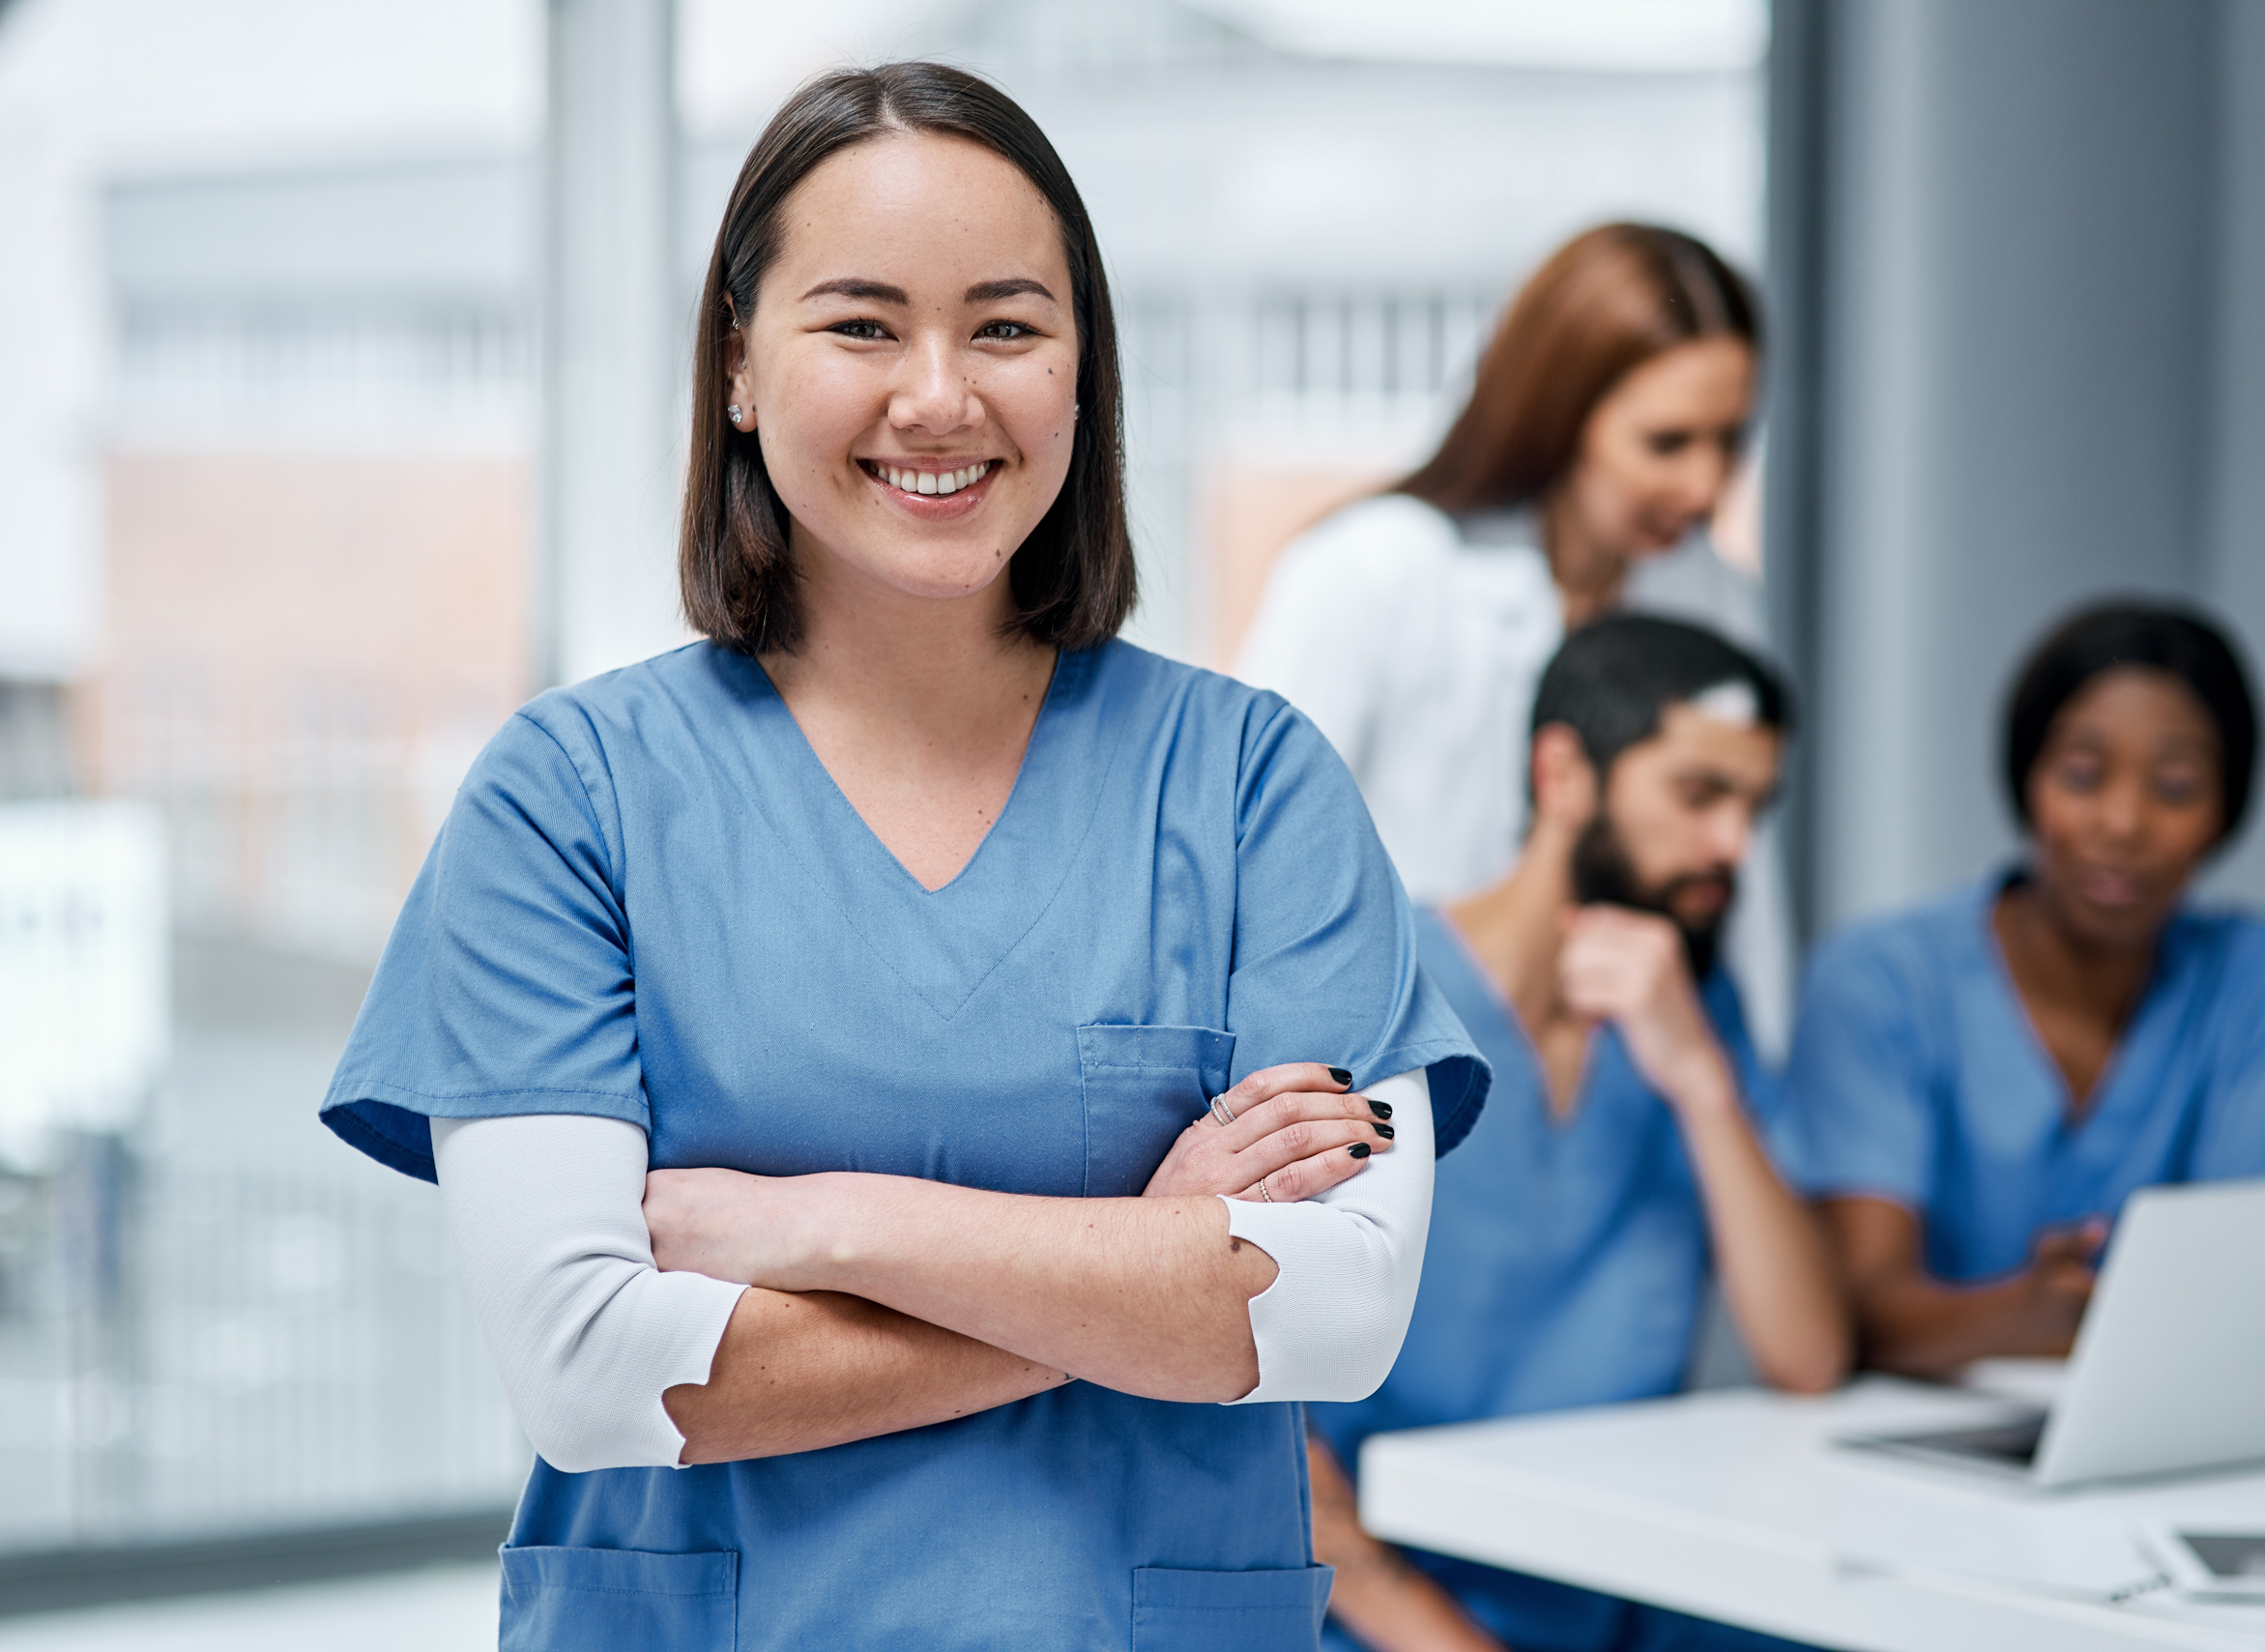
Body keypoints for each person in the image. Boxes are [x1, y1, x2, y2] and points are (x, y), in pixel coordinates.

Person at [319, 64, 1487, 1651]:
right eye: (862, 324)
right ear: (740, 368)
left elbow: (1335, 1313)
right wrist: (1148, 1263)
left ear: (1085, 372)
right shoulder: (567, 800)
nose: (940, 395)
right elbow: (595, 1368)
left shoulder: (1252, 785)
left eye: (1007, 326)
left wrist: (818, 1220)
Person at [1309, 616, 1847, 1652]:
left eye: (1752, 808)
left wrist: (1699, 1080)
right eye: (1699, 796)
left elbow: (1808, 1355)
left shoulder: (1700, 1019)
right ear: (1562, 773)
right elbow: (1248, 1416)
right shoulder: (1368, 999)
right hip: (1378, 1611)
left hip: (1618, 1592)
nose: (1732, 847)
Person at [1234, 223, 1796, 1057]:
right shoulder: (1373, 571)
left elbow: (1743, 885)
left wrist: (1756, 1087)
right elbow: (1251, 876)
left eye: (1730, 441)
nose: (1706, 485)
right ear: (1561, 415)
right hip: (1386, 1066)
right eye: (1668, 442)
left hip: (1615, 1078)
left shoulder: (1713, 596)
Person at [1784, 602, 2265, 1377]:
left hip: (2182, 1416)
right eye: (2082, 775)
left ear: (2225, 811)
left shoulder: (2260, 976)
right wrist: (2024, 1313)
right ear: (2026, 778)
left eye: (2174, 787)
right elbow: (1861, 1313)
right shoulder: (1883, 979)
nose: (2123, 822)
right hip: (1925, 1430)